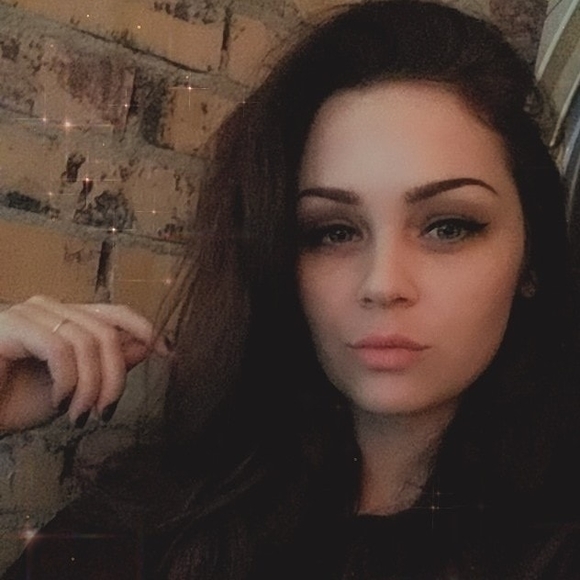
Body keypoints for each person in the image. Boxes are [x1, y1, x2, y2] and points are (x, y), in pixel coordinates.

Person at [2, 0, 580, 578]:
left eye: (448, 227)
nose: (383, 285)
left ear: (531, 257)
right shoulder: (166, 510)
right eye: (333, 232)